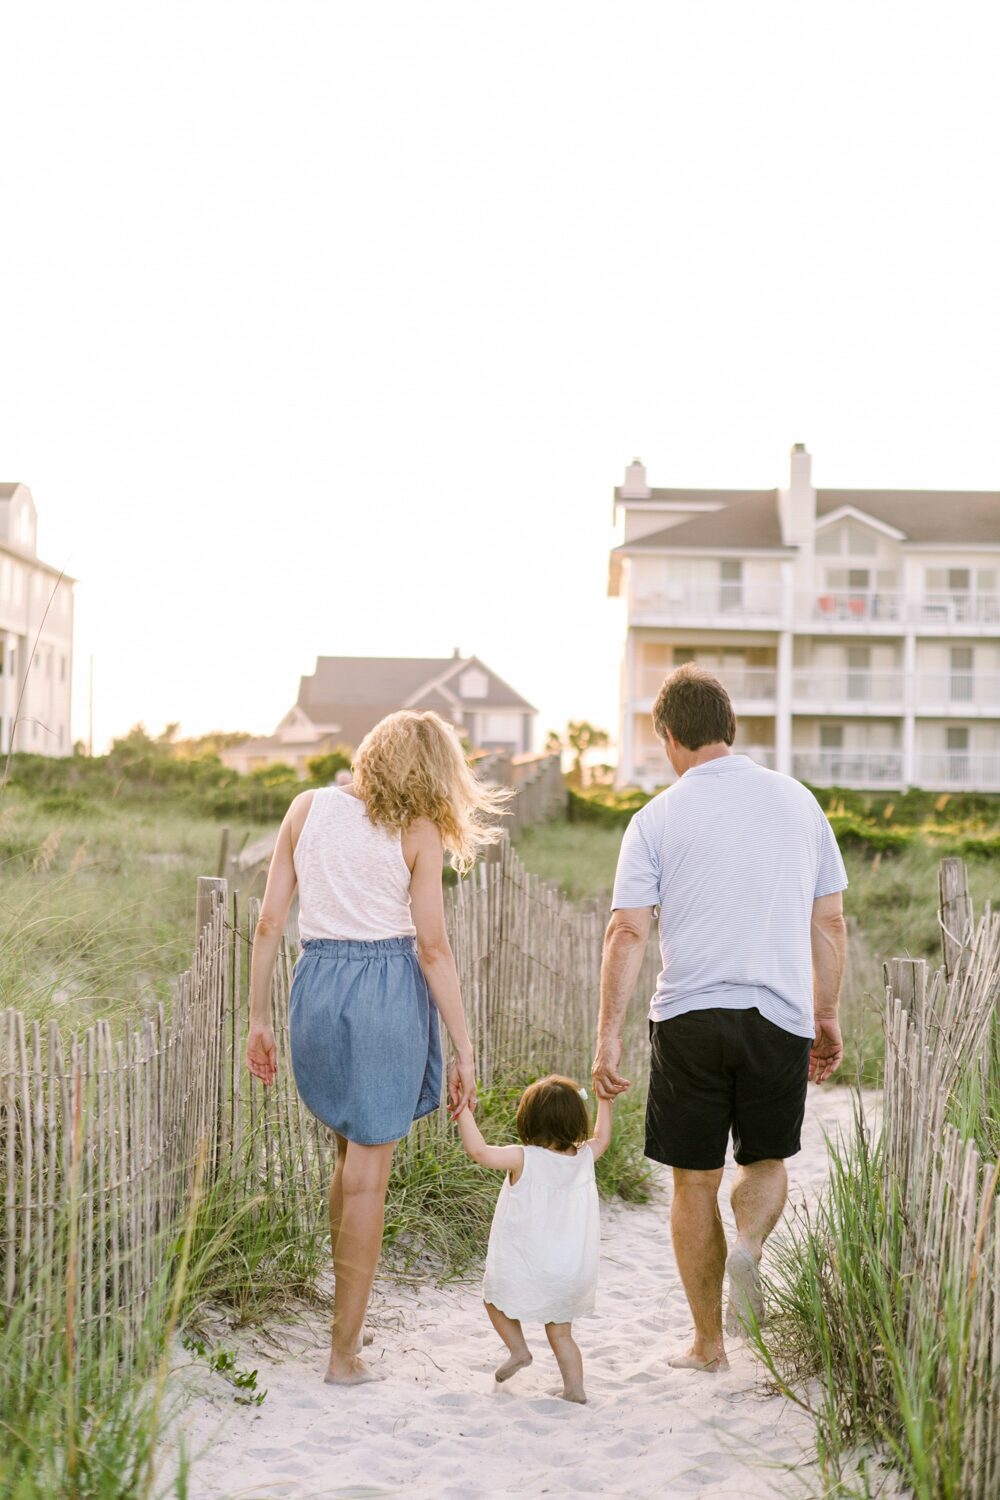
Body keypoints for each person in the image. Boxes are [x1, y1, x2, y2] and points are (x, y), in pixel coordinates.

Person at [591, 664, 848, 1373]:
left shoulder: (654, 819)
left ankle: (707, 1345)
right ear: (729, 730)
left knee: (693, 1182)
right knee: (765, 1160)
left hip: (689, 1018)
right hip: (780, 1014)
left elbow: (627, 932)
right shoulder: (799, 803)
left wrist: (609, 1033)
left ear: (669, 737)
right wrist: (825, 1013)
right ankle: (750, 1247)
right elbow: (830, 918)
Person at [245, 709, 509, 1386]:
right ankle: (343, 1355)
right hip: (384, 993)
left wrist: (258, 1018)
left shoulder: (306, 808)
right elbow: (431, 946)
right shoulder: (415, 830)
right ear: (431, 770)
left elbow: (271, 919)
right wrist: (464, 1047)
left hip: (316, 989)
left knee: (346, 1156)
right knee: (368, 1177)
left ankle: (344, 1323)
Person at [454, 1074, 613, 1404]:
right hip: (570, 1270)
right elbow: (602, 1137)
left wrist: (463, 1112)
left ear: (528, 1120)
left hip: (530, 1266)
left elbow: (479, 1152)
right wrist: (605, 1101)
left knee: (494, 1298)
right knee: (561, 1332)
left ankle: (518, 1350)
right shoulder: (585, 1158)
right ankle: (574, 1389)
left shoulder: (523, 1157)